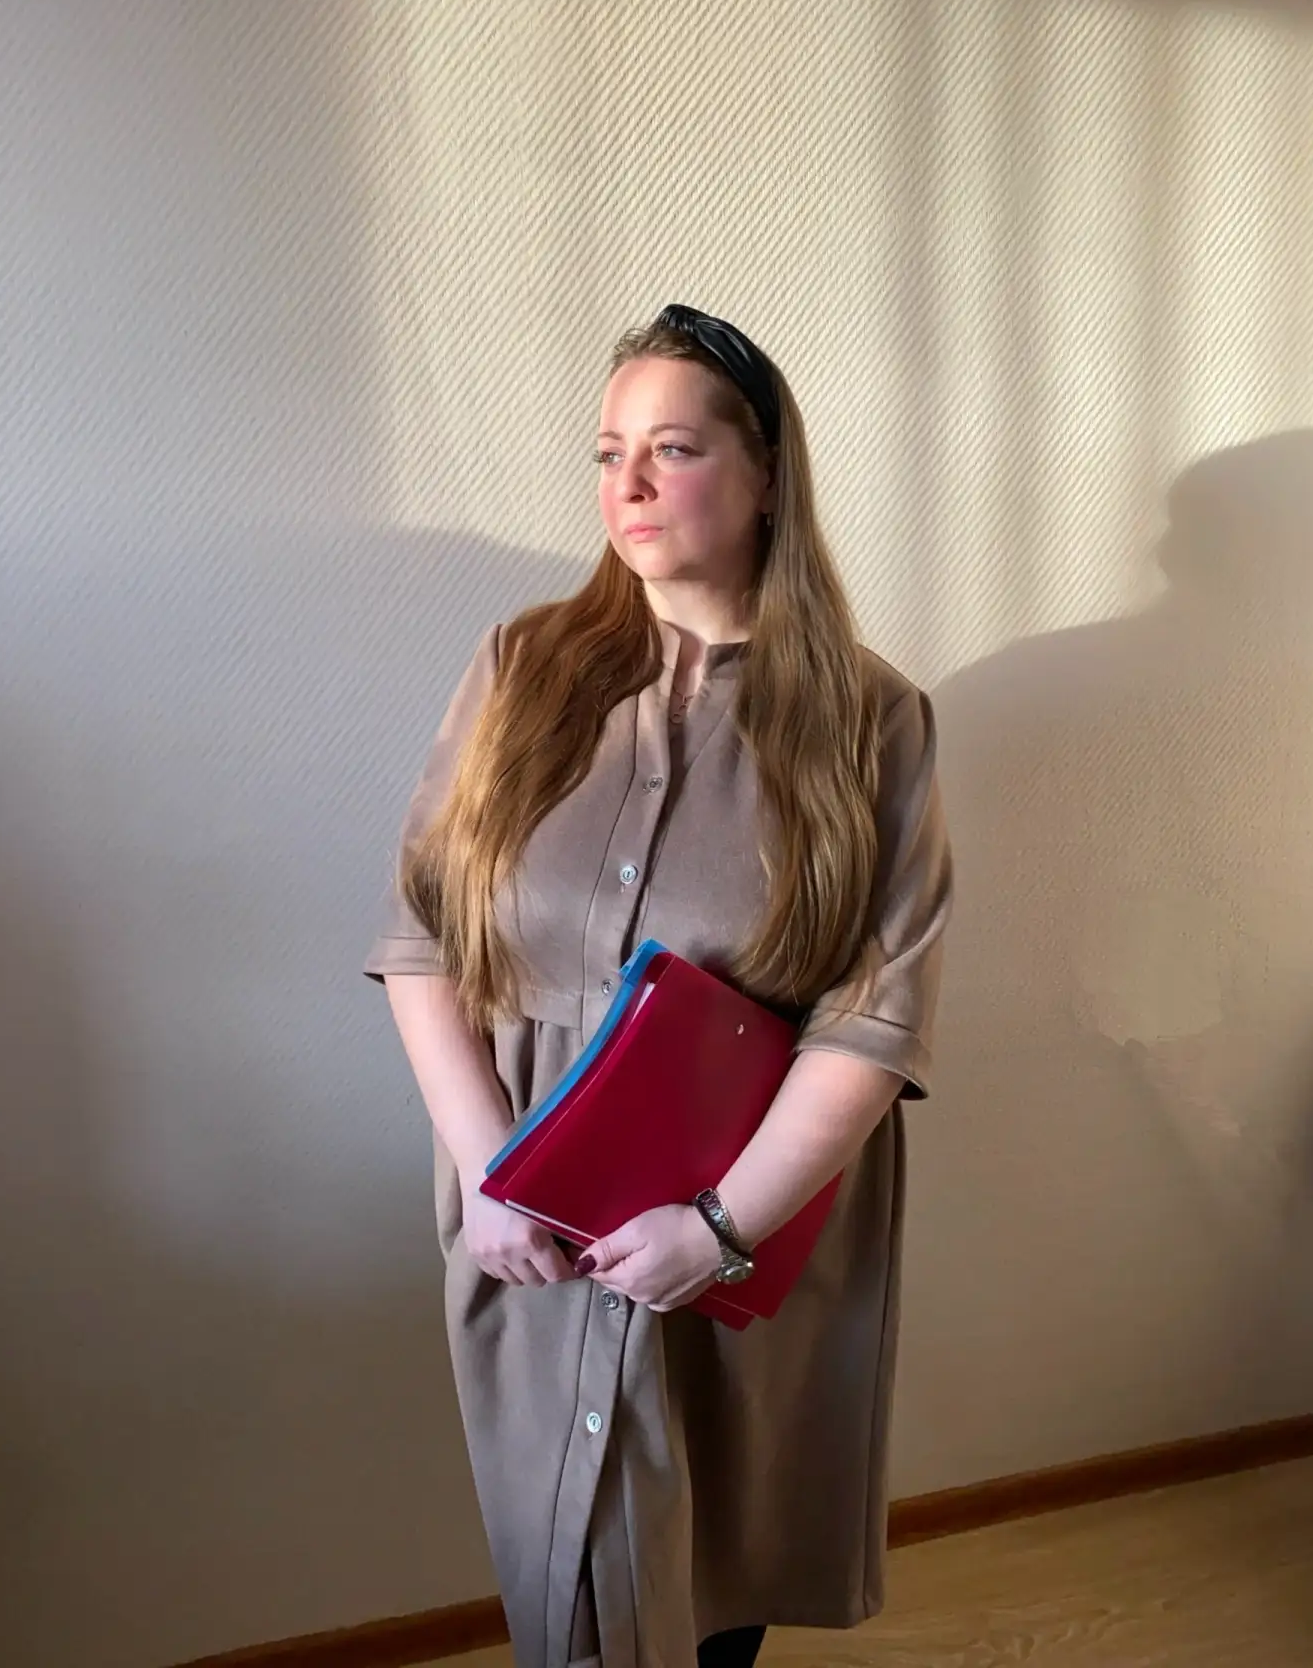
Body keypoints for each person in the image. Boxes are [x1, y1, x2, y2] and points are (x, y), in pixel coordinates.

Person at [365, 304, 954, 1668]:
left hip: (736, 1215)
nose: (627, 483)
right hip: (524, 1217)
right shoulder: (522, 669)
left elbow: (874, 1018)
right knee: (565, 1581)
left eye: (673, 449)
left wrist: (719, 1227)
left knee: (707, 1583)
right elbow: (422, 936)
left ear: (766, 476)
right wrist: (493, 1172)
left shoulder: (874, 721)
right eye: (608, 451)